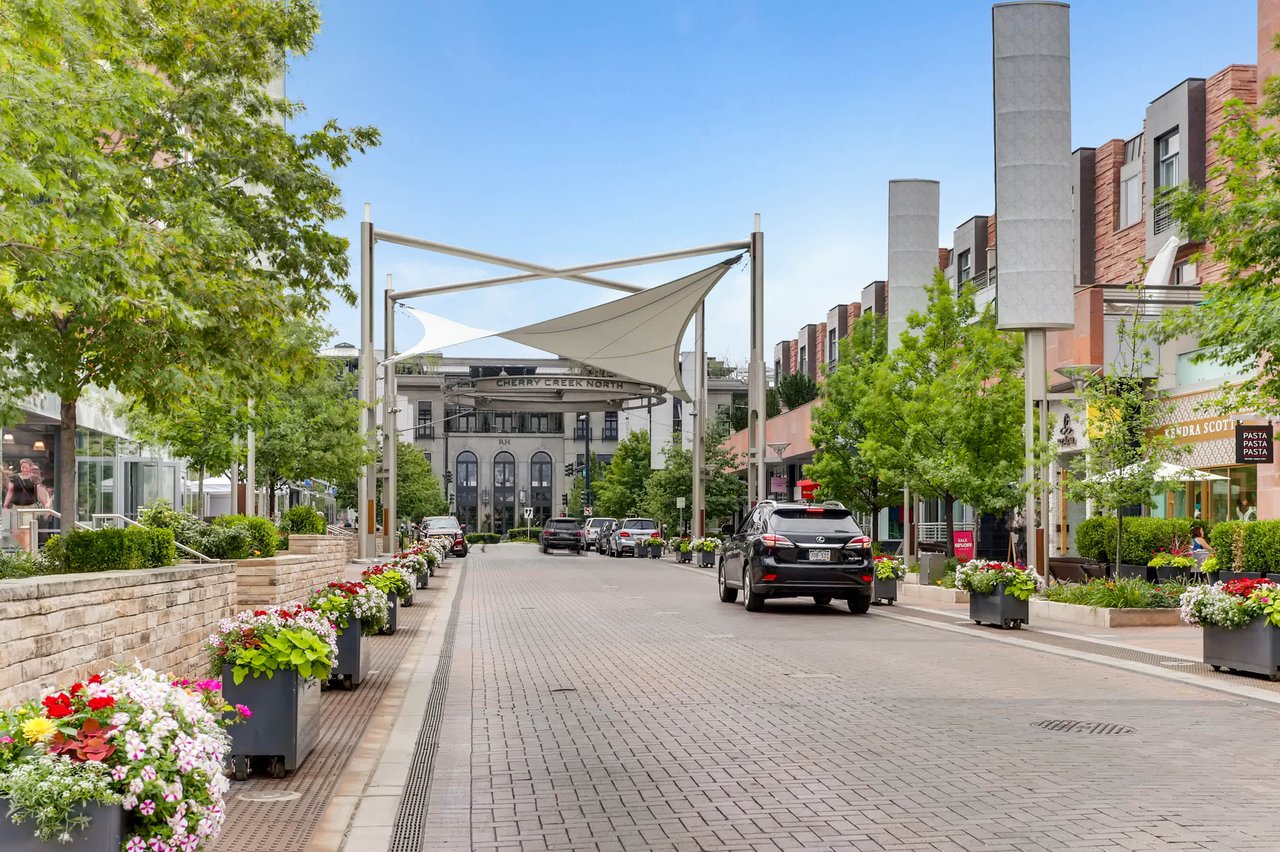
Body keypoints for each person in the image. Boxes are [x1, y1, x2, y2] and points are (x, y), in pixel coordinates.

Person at [3, 459, 41, 550]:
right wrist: (5, 505)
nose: (24, 469)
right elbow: (10, 491)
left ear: (30, 468)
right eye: (22, 467)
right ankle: (25, 548)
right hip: (16, 507)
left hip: (30, 507)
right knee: (16, 532)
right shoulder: (14, 478)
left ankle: (27, 552)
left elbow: (39, 492)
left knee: (27, 530)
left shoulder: (34, 478)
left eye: (26, 467)